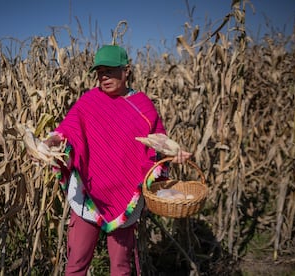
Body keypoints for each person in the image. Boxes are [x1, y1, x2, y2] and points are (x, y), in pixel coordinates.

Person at [37, 45, 192, 275]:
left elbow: (159, 142)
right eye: (100, 71)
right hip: (87, 197)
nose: (104, 76)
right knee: (76, 264)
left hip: (126, 198)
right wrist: (47, 143)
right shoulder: (89, 101)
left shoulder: (142, 105)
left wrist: (173, 153)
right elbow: (66, 130)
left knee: (121, 267)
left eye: (110, 70)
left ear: (126, 70)